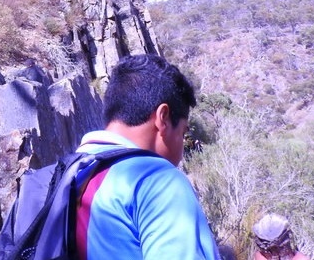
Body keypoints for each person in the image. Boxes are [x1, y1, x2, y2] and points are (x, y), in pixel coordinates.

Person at [74, 54, 221, 259]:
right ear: (163, 118)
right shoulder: (157, 181)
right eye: (183, 133)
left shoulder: (62, 179)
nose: (182, 146)